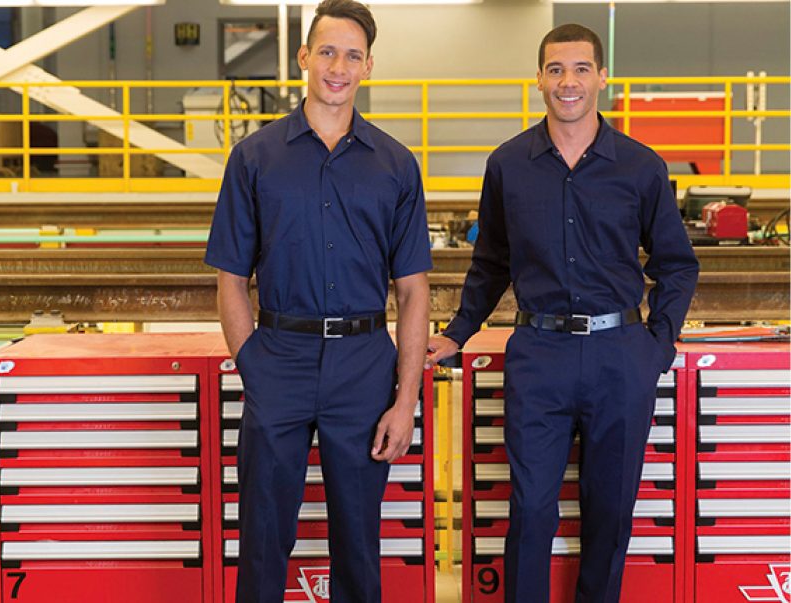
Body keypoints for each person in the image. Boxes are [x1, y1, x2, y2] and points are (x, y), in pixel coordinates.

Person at [426, 23, 699, 603]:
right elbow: (491, 262)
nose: (568, 82)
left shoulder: (641, 166)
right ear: (539, 79)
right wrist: (457, 333)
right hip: (539, 357)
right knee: (529, 511)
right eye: (555, 70)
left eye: (580, 69)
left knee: (610, 512)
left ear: (603, 76)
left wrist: (658, 345)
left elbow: (677, 264)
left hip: (620, 357)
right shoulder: (508, 165)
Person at [205, 1, 432, 601]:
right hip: (277, 356)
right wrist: (253, 362)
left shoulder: (395, 165)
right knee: (262, 534)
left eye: (352, 55)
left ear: (369, 66)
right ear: (304, 58)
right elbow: (230, 277)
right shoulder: (255, 158)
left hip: (363, 367)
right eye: (327, 52)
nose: (338, 66)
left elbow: (412, 291)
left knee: (357, 540)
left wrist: (405, 398)